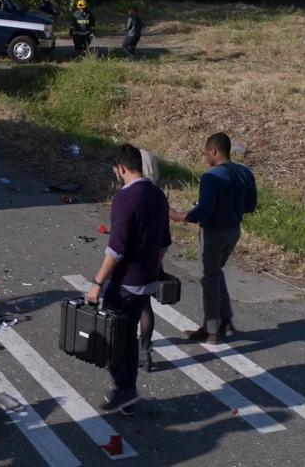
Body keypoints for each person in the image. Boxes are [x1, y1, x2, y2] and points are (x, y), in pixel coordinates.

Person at [85, 144, 171, 415]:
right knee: (129, 336)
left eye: (116, 171)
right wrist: (154, 267)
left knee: (114, 339)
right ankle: (128, 392)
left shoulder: (124, 199)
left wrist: (97, 283)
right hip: (147, 280)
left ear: (121, 168)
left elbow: (116, 248)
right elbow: (164, 243)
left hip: (125, 282)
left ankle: (125, 390)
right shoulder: (158, 195)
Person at [170, 132, 257, 344]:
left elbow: (204, 212)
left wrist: (178, 216)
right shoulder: (244, 172)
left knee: (208, 279)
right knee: (216, 273)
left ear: (214, 151)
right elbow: (251, 205)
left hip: (214, 234)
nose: (206, 158)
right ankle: (225, 320)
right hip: (233, 231)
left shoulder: (211, 177)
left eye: (206, 153)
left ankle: (211, 331)